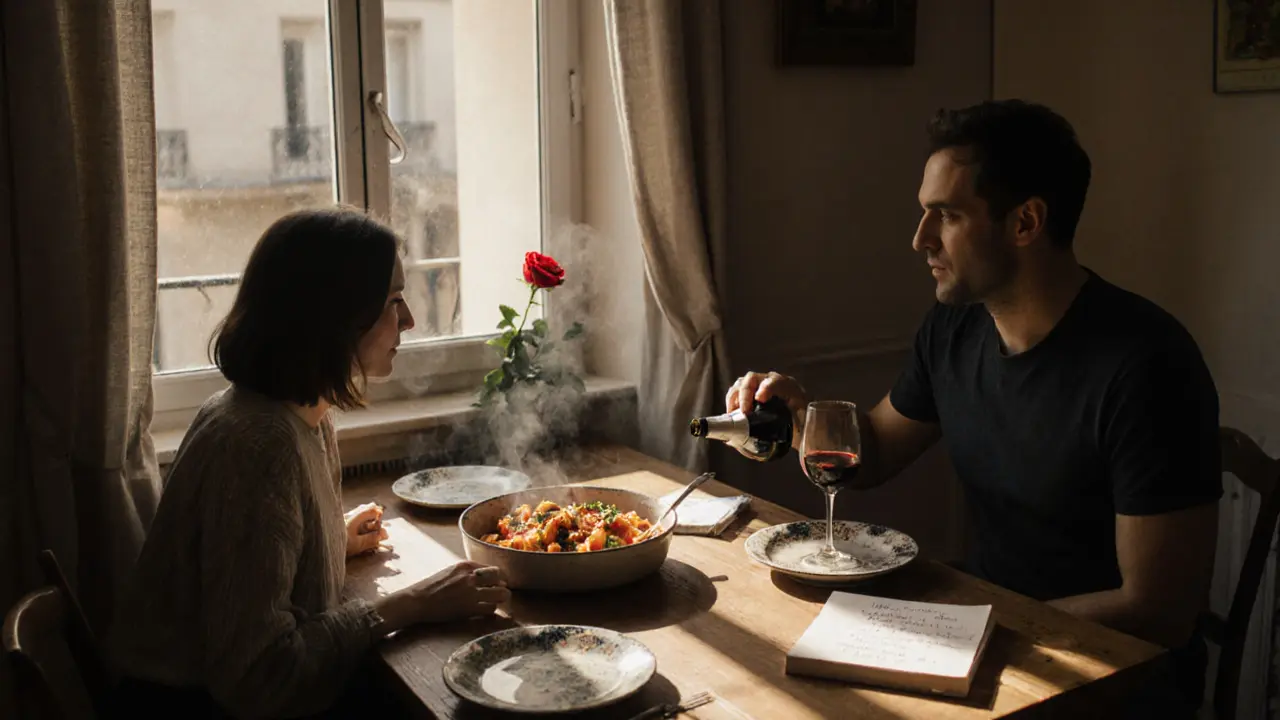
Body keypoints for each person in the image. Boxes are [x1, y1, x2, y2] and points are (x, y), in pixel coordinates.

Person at [729, 101, 1220, 714]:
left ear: (1025, 222)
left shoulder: (1148, 365)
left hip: (1111, 677)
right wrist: (803, 411)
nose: (920, 240)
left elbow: (1159, 611)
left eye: (947, 215)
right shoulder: (954, 328)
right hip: (988, 631)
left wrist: (969, 623)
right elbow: (873, 454)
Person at [109, 208, 511, 718]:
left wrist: (326, 540)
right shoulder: (259, 445)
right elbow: (257, 679)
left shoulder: (303, 413)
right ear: (336, 318)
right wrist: (412, 603)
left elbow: (247, 567)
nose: (409, 319)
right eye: (392, 302)